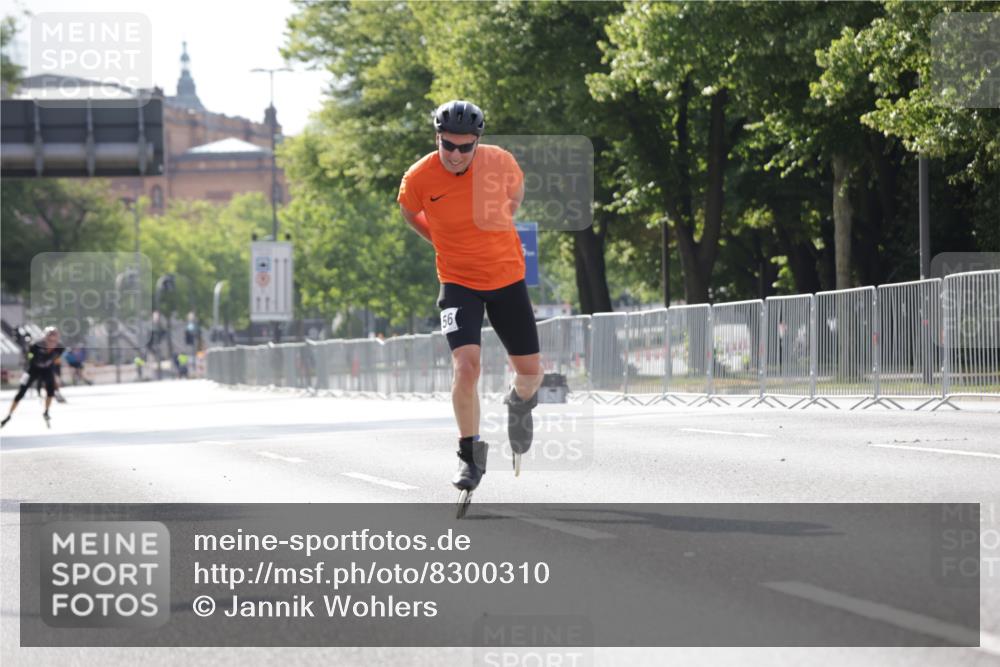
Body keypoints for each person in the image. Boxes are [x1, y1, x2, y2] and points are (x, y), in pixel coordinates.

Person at [397, 99, 543, 496]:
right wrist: (440, 241)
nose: (456, 154)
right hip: (458, 281)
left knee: (531, 375)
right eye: (449, 145)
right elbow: (410, 213)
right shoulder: (419, 178)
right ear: (437, 138)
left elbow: (515, 199)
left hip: (507, 278)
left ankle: (519, 403)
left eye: (466, 147)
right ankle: (469, 454)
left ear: (478, 141)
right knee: (466, 367)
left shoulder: (501, 163)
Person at [1, 326, 65, 428]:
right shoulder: (36, 345)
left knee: (50, 390)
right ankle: (9, 414)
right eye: (49, 338)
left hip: (47, 369)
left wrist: (56, 373)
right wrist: (28, 356)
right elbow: (28, 356)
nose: (51, 342)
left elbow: (56, 360)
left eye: (54, 339)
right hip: (33, 369)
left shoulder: (60, 348)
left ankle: (46, 411)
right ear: (45, 337)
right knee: (21, 392)